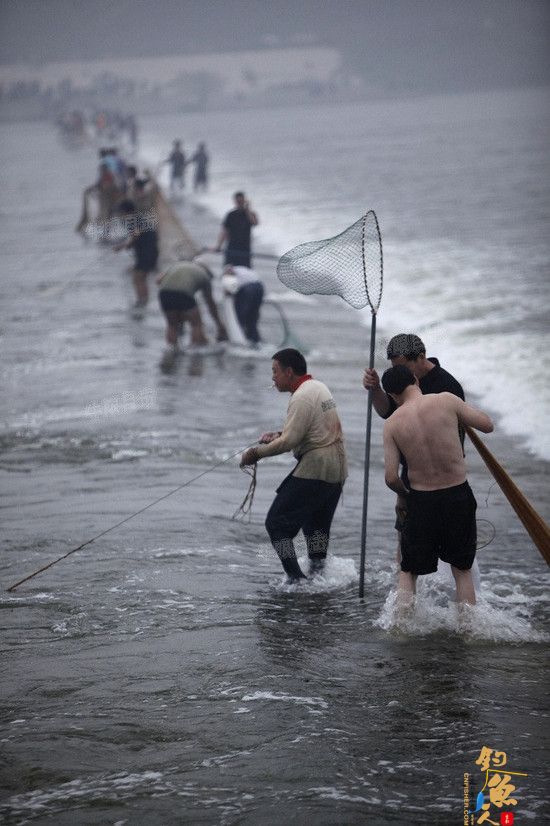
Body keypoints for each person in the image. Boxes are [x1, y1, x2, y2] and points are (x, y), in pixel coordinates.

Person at [381, 364, 493, 607]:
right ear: (415, 380)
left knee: (409, 570)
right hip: (457, 495)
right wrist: (459, 417)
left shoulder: (392, 424)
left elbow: (391, 477)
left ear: (392, 395)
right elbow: (487, 425)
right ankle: (468, 629)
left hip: (421, 501)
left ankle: (401, 627)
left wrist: (404, 494)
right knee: (461, 569)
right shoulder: (446, 401)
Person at [240, 348, 347, 583]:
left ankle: (296, 579)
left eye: (275, 371)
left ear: (289, 372)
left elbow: (290, 442)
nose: (273, 377)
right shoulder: (318, 387)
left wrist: (255, 453)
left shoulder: (301, 396)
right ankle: (319, 579)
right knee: (316, 530)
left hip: (316, 469)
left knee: (276, 524)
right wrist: (278, 433)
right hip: (337, 470)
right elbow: (310, 430)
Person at [363, 333, 466, 556]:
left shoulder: (448, 387)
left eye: (405, 367)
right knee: (407, 544)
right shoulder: (402, 379)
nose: (402, 374)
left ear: (421, 357)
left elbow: (457, 442)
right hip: (410, 472)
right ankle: (404, 585)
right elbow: (386, 412)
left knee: (455, 549)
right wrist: (376, 390)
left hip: (446, 475)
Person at [156, 260, 228, 349]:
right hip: (184, 293)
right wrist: (219, 325)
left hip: (164, 293)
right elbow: (210, 304)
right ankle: (195, 350)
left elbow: (158, 280)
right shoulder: (205, 276)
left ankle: (171, 350)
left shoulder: (179, 265)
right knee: (196, 323)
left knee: (172, 324)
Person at [113, 199, 159, 313]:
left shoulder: (132, 220)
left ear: (125, 212)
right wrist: (129, 245)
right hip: (150, 252)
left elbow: (136, 235)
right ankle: (144, 302)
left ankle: (141, 303)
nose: (119, 214)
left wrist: (122, 246)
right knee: (140, 278)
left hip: (146, 253)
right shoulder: (139, 218)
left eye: (120, 212)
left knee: (138, 278)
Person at [222, 264, 264, 345]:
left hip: (248, 289)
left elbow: (228, 293)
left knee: (240, 316)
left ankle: (239, 340)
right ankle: (255, 340)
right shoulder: (241, 269)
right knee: (252, 317)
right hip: (259, 288)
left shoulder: (230, 274)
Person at [215, 192, 259, 267]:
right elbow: (224, 231)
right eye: (238, 202)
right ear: (235, 201)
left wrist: (247, 209)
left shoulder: (250, 214)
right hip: (232, 247)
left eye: (241, 201)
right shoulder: (230, 215)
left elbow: (254, 223)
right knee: (229, 271)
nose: (240, 203)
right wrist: (218, 246)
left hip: (245, 248)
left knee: (244, 270)